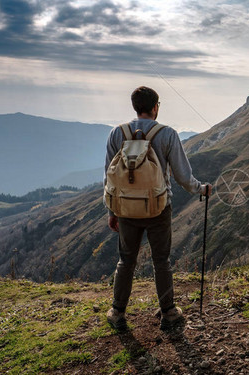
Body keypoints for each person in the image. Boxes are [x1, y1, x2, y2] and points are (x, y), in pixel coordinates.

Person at [104, 86, 211, 331]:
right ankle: (168, 312)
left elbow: (109, 178)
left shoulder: (116, 134)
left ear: (134, 106)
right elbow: (183, 176)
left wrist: (111, 211)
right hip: (159, 208)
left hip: (125, 209)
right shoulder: (168, 135)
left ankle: (118, 311)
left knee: (126, 260)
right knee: (161, 260)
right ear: (156, 107)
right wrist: (201, 189)